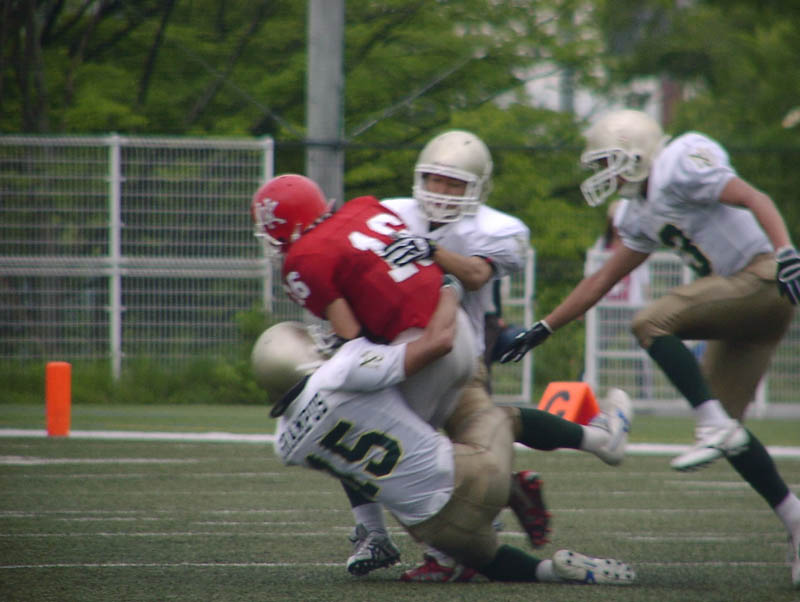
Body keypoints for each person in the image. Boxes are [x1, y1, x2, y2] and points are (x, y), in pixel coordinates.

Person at [250, 171, 634, 579]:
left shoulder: (304, 262)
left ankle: (408, 540)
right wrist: (449, 289)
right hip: (454, 324)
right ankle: (584, 447)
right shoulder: (366, 207)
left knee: (399, 460)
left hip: (420, 349)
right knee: (476, 425)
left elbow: (351, 335)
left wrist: (347, 346)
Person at [499, 108, 800, 587]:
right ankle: (795, 519)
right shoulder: (638, 211)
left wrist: (786, 252)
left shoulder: (680, 162)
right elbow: (601, 279)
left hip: (764, 277)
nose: (603, 173)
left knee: (650, 321)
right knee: (734, 439)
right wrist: (544, 327)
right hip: (748, 307)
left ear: (636, 153)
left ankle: (712, 422)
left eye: (608, 161)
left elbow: (753, 197)